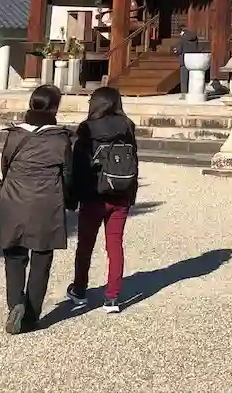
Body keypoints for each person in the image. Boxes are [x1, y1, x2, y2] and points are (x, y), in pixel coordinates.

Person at [0, 84, 73, 334]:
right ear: (54, 108)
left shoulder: (15, 135)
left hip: (13, 200)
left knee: (14, 255)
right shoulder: (60, 138)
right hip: (46, 202)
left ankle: (16, 303)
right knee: (41, 257)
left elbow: (5, 166)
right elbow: (68, 174)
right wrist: (70, 200)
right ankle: (31, 315)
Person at [67, 86, 139, 313]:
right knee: (115, 245)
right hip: (121, 191)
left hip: (93, 194)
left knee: (85, 245)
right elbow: (134, 160)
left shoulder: (87, 129)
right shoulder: (128, 126)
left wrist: (72, 197)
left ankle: (79, 290)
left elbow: (78, 166)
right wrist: (132, 193)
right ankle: (112, 297)